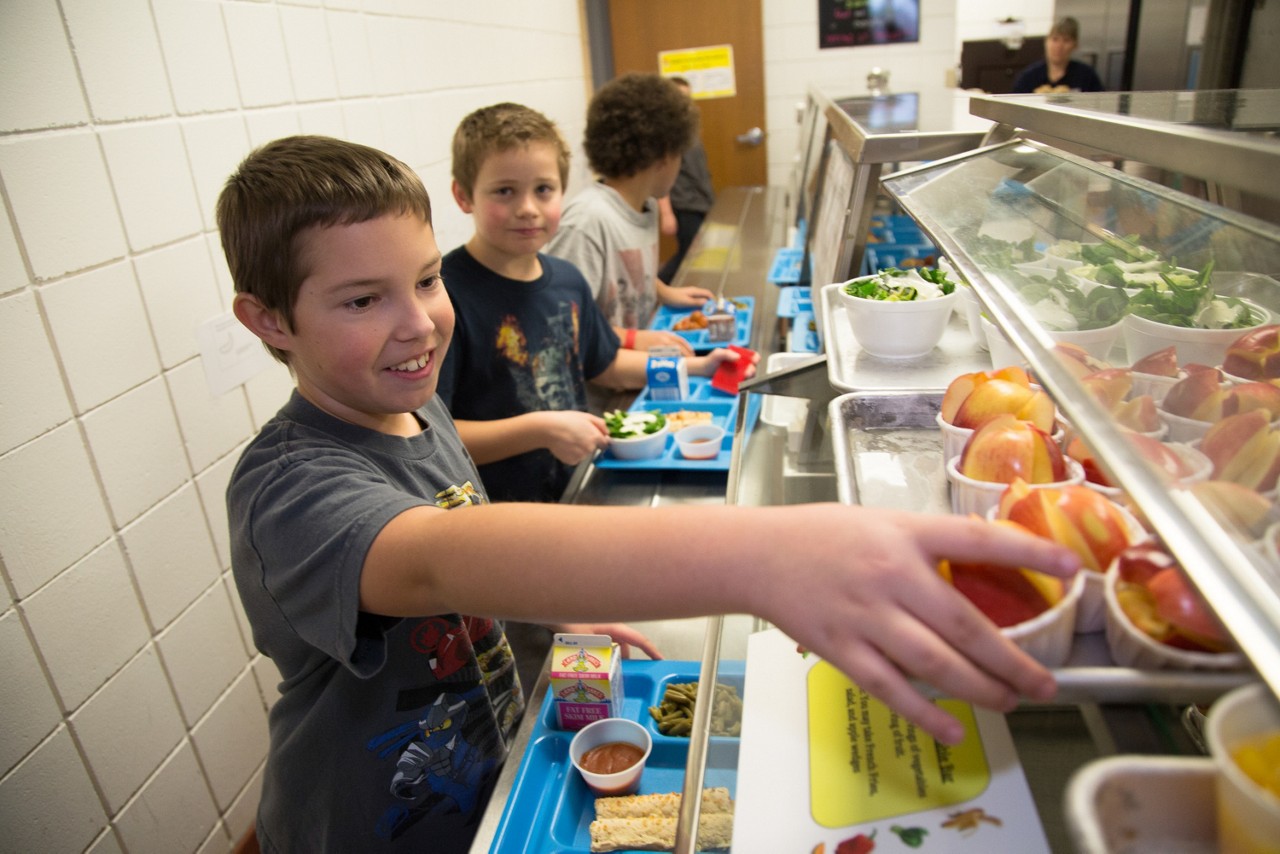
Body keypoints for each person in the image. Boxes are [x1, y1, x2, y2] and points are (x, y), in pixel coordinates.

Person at [218, 134, 1080, 853]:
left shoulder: (418, 406)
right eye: (364, 299)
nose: (420, 323)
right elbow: (441, 562)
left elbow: (475, 554)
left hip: (491, 783)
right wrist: (768, 555)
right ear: (268, 320)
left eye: (426, 280)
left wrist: (552, 618)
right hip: (373, 828)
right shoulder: (290, 487)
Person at [439, 102, 746, 504]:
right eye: (504, 191)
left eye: (543, 190)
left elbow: (607, 365)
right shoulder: (443, 297)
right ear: (464, 196)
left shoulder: (566, 281)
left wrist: (696, 367)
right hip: (501, 513)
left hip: (576, 485)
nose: (528, 208)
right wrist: (541, 430)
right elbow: (433, 438)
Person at [547, 72, 715, 358]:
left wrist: (662, 291)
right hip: (603, 391)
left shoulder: (643, 207)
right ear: (664, 156)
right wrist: (636, 338)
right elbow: (565, 325)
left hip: (639, 370)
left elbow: (625, 273)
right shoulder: (587, 222)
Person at [657, 76, 716, 285]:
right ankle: (659, 283)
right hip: (684, 204)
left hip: (700, 201)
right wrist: (666, 213)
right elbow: (660, 174)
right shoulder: (663, 135)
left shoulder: (687, 129)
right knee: (688, 254)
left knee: (693, 252)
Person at [1011, 16, 1105, 94]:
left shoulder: (1087, 76)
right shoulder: (1029, 77)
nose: (1059, 46)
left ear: (1075, 45)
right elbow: (1013, 109)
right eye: (1055, 39)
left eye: (1066, 40)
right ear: (1046, 42)